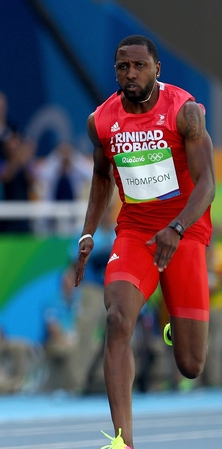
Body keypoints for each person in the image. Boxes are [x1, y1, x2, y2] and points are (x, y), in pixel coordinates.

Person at [75, 35, 214, 449]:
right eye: (122, 67)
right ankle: (123, 440)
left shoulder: (185, 112)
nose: (130, 74)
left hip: (185, 231)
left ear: (157, 69)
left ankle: (174, 321)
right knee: (117, 320)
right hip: (135, 231)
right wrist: (87, 231)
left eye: (138, 66)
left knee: (190, 365)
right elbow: (102, 177)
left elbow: (207, 183)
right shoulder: (101, 121)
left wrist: (178, 228)